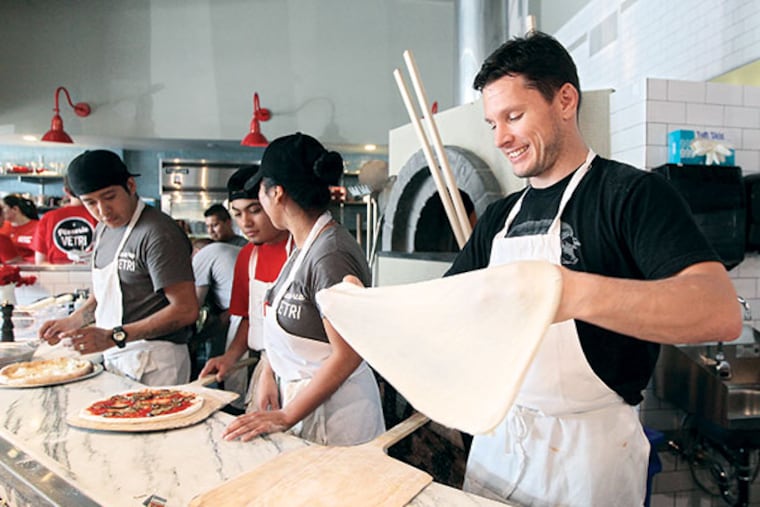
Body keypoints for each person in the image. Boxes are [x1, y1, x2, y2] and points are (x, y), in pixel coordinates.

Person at [442, 32, 742, 506]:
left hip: (586, 460)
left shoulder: (631, 196)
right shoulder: (499, 219)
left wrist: (572, 294)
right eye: (492, 123)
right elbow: (449, 308)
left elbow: (718, 310)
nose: (501, 138)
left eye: (514, 116)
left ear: (565, 100)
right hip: (500, 446)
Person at [217, 133, 385, 446]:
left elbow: (348, 354)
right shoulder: (303, 243)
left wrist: (287, 415)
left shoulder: (329, 254)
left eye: (260, 194)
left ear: (276, 193)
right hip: (307, 402)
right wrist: (270, 371)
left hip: (337, 416)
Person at [39, 150, 199, 386]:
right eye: (90, 202)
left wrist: (115, 336)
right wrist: (74, 321)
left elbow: (185, 310)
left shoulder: (158, 233)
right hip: (117, 354)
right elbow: (104, 293)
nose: (103, 211)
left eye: (110, 196)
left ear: (131, 185)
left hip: (157, 361)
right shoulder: (103, 230)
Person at [199, 165, 291, 411]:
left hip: (303, 371)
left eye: (254, 210)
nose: (245, 223)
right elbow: (249, 320)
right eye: (237, 214)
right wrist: (229, 358)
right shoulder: (247, 256)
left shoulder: (301, 250)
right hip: (266, 370)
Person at [189, 236, 242, 378]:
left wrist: (195, 341)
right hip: (253, 310)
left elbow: (192, 308)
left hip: (241, 315)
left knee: (234, 376)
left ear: (196, 251)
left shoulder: (201, 256)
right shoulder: (231, 250)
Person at [31, 176, 98, 264]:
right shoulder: (101, 215)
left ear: (66, 191)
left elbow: (40, 261)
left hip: (57, 274)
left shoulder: (48, 218)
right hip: (94, 273)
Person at [0, 194, 39, 263]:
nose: (1, 211)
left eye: (3, 208)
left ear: (15, 209)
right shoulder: (2, 228)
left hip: (32, 267)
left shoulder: (39, 227)